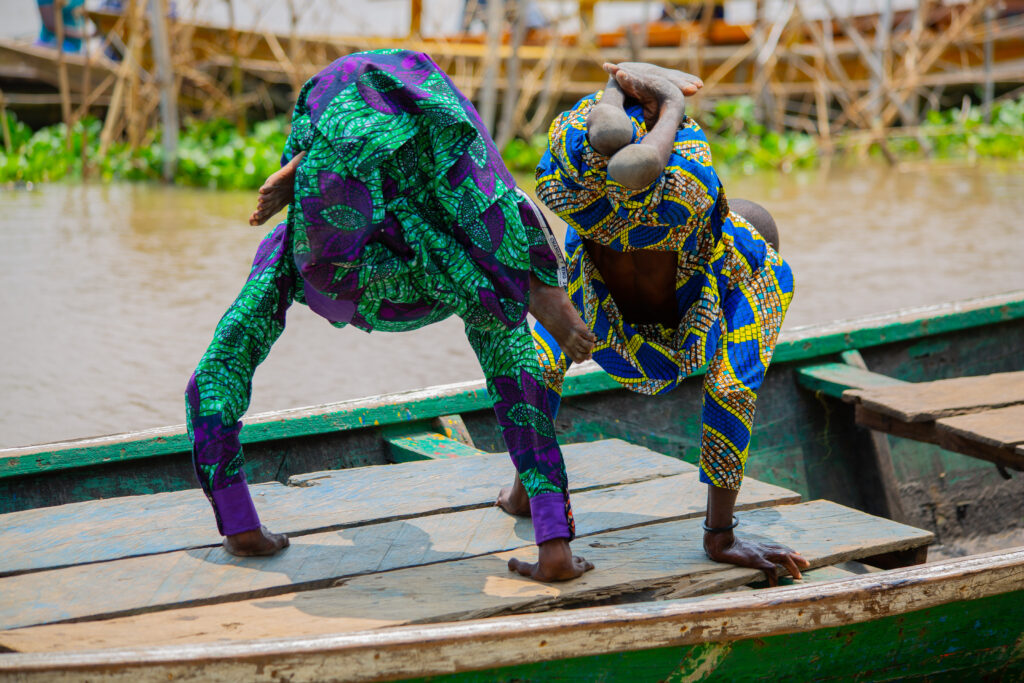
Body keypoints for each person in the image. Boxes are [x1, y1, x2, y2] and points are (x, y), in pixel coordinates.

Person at [186, 49, 596, 582]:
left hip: (334, 263)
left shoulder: (298, 240)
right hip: (448, 262)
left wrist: (306, 170)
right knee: (512, 355)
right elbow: (462, 151)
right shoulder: (469, 231)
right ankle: (553, 541)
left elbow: (212, 378)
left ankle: (238, 523)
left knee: (225, 360)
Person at [516, 62, 810, 585]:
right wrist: (720, 535)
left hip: (599, 313)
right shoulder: (743, 256)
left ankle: (523, 488)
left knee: (537, 363)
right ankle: (661, 105)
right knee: (741, 239)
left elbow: (535, 368)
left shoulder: (582, 202)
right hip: (650, 304)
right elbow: (732, 389)